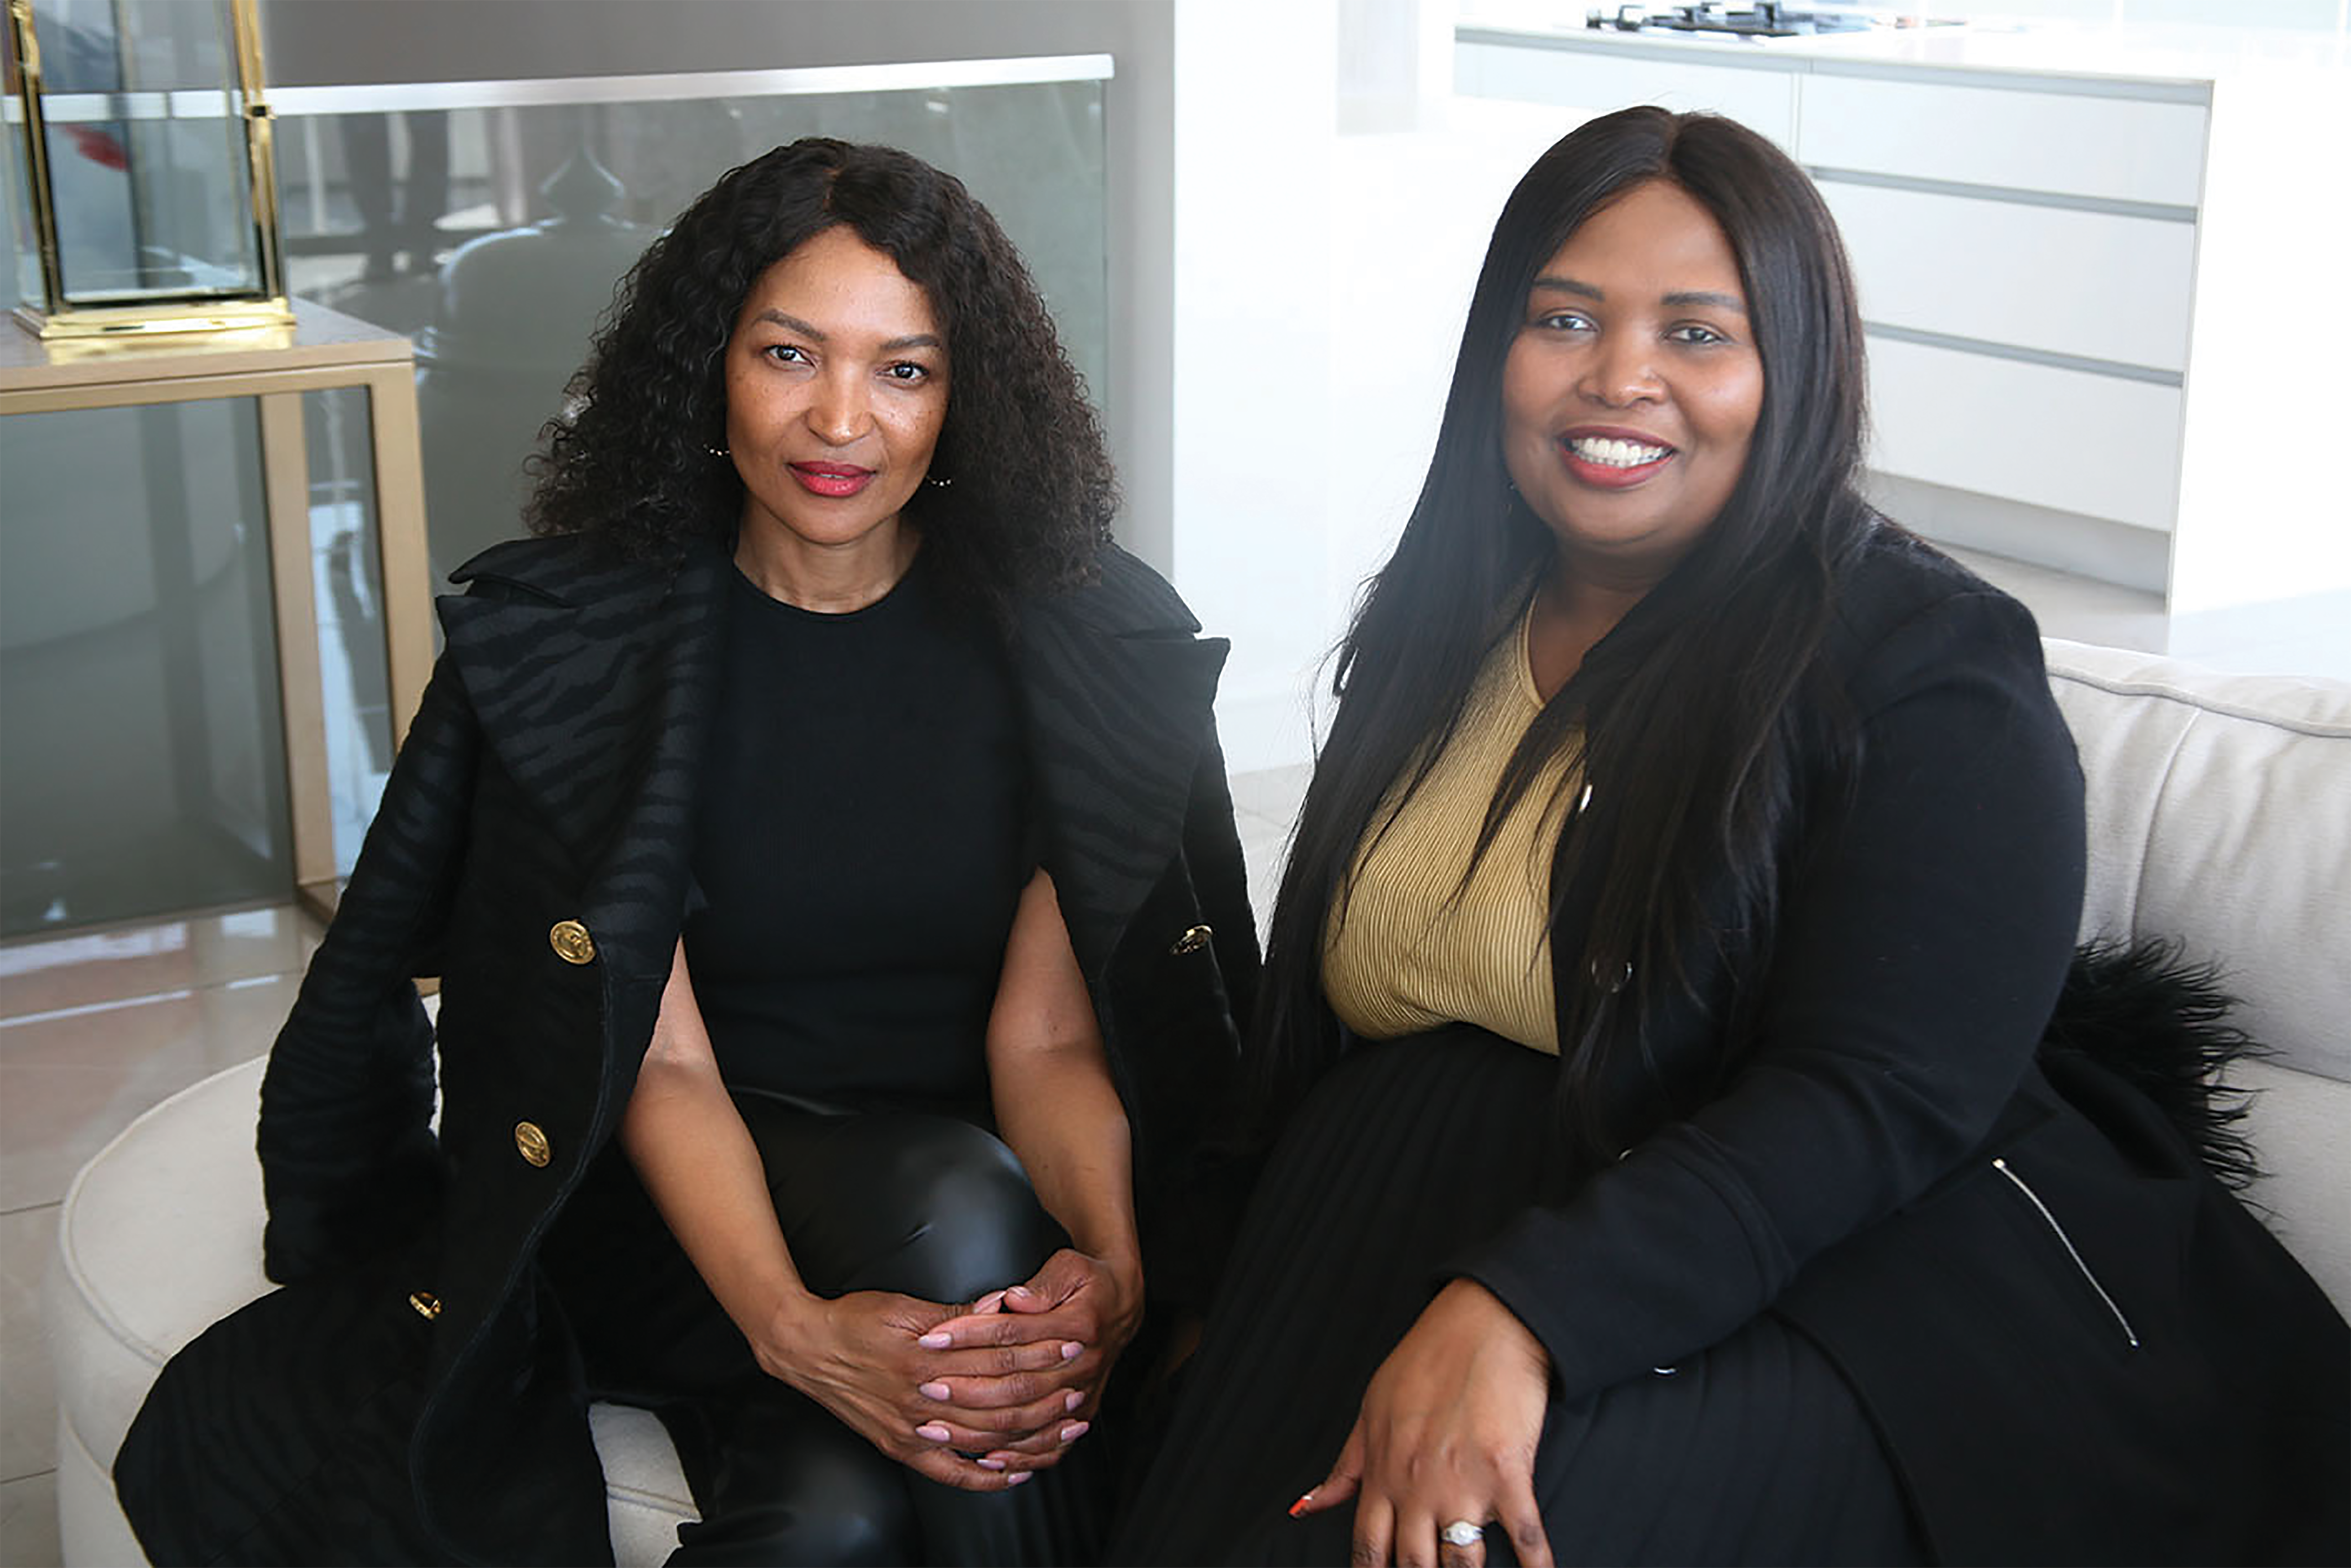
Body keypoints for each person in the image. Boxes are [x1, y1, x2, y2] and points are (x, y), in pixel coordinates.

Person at [1110, 106, 2347, 1567]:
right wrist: (1203, 1283)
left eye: (1699, 333)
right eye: (1564, 316)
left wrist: (1527, 1309)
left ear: (1793, 371)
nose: (1619, 377)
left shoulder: (1928, 664)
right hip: (1428, 1226)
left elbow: (1881, 1095)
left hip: (1839, 1286)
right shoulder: (1446, 615)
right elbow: (1311, 1024)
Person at [114, 138, 1259, 1567]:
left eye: (904, 370)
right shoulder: (587, 651)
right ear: (709, 362)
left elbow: (1045, 1045)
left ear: (968, 399)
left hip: (959, 1204)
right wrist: (795, 1331)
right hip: (663, 1201)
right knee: (954, 1201)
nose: (841, 419)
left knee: (831, 1519)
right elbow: (664, 1066)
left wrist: (1113, 1265)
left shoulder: (1065, 648)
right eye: (791, 353)